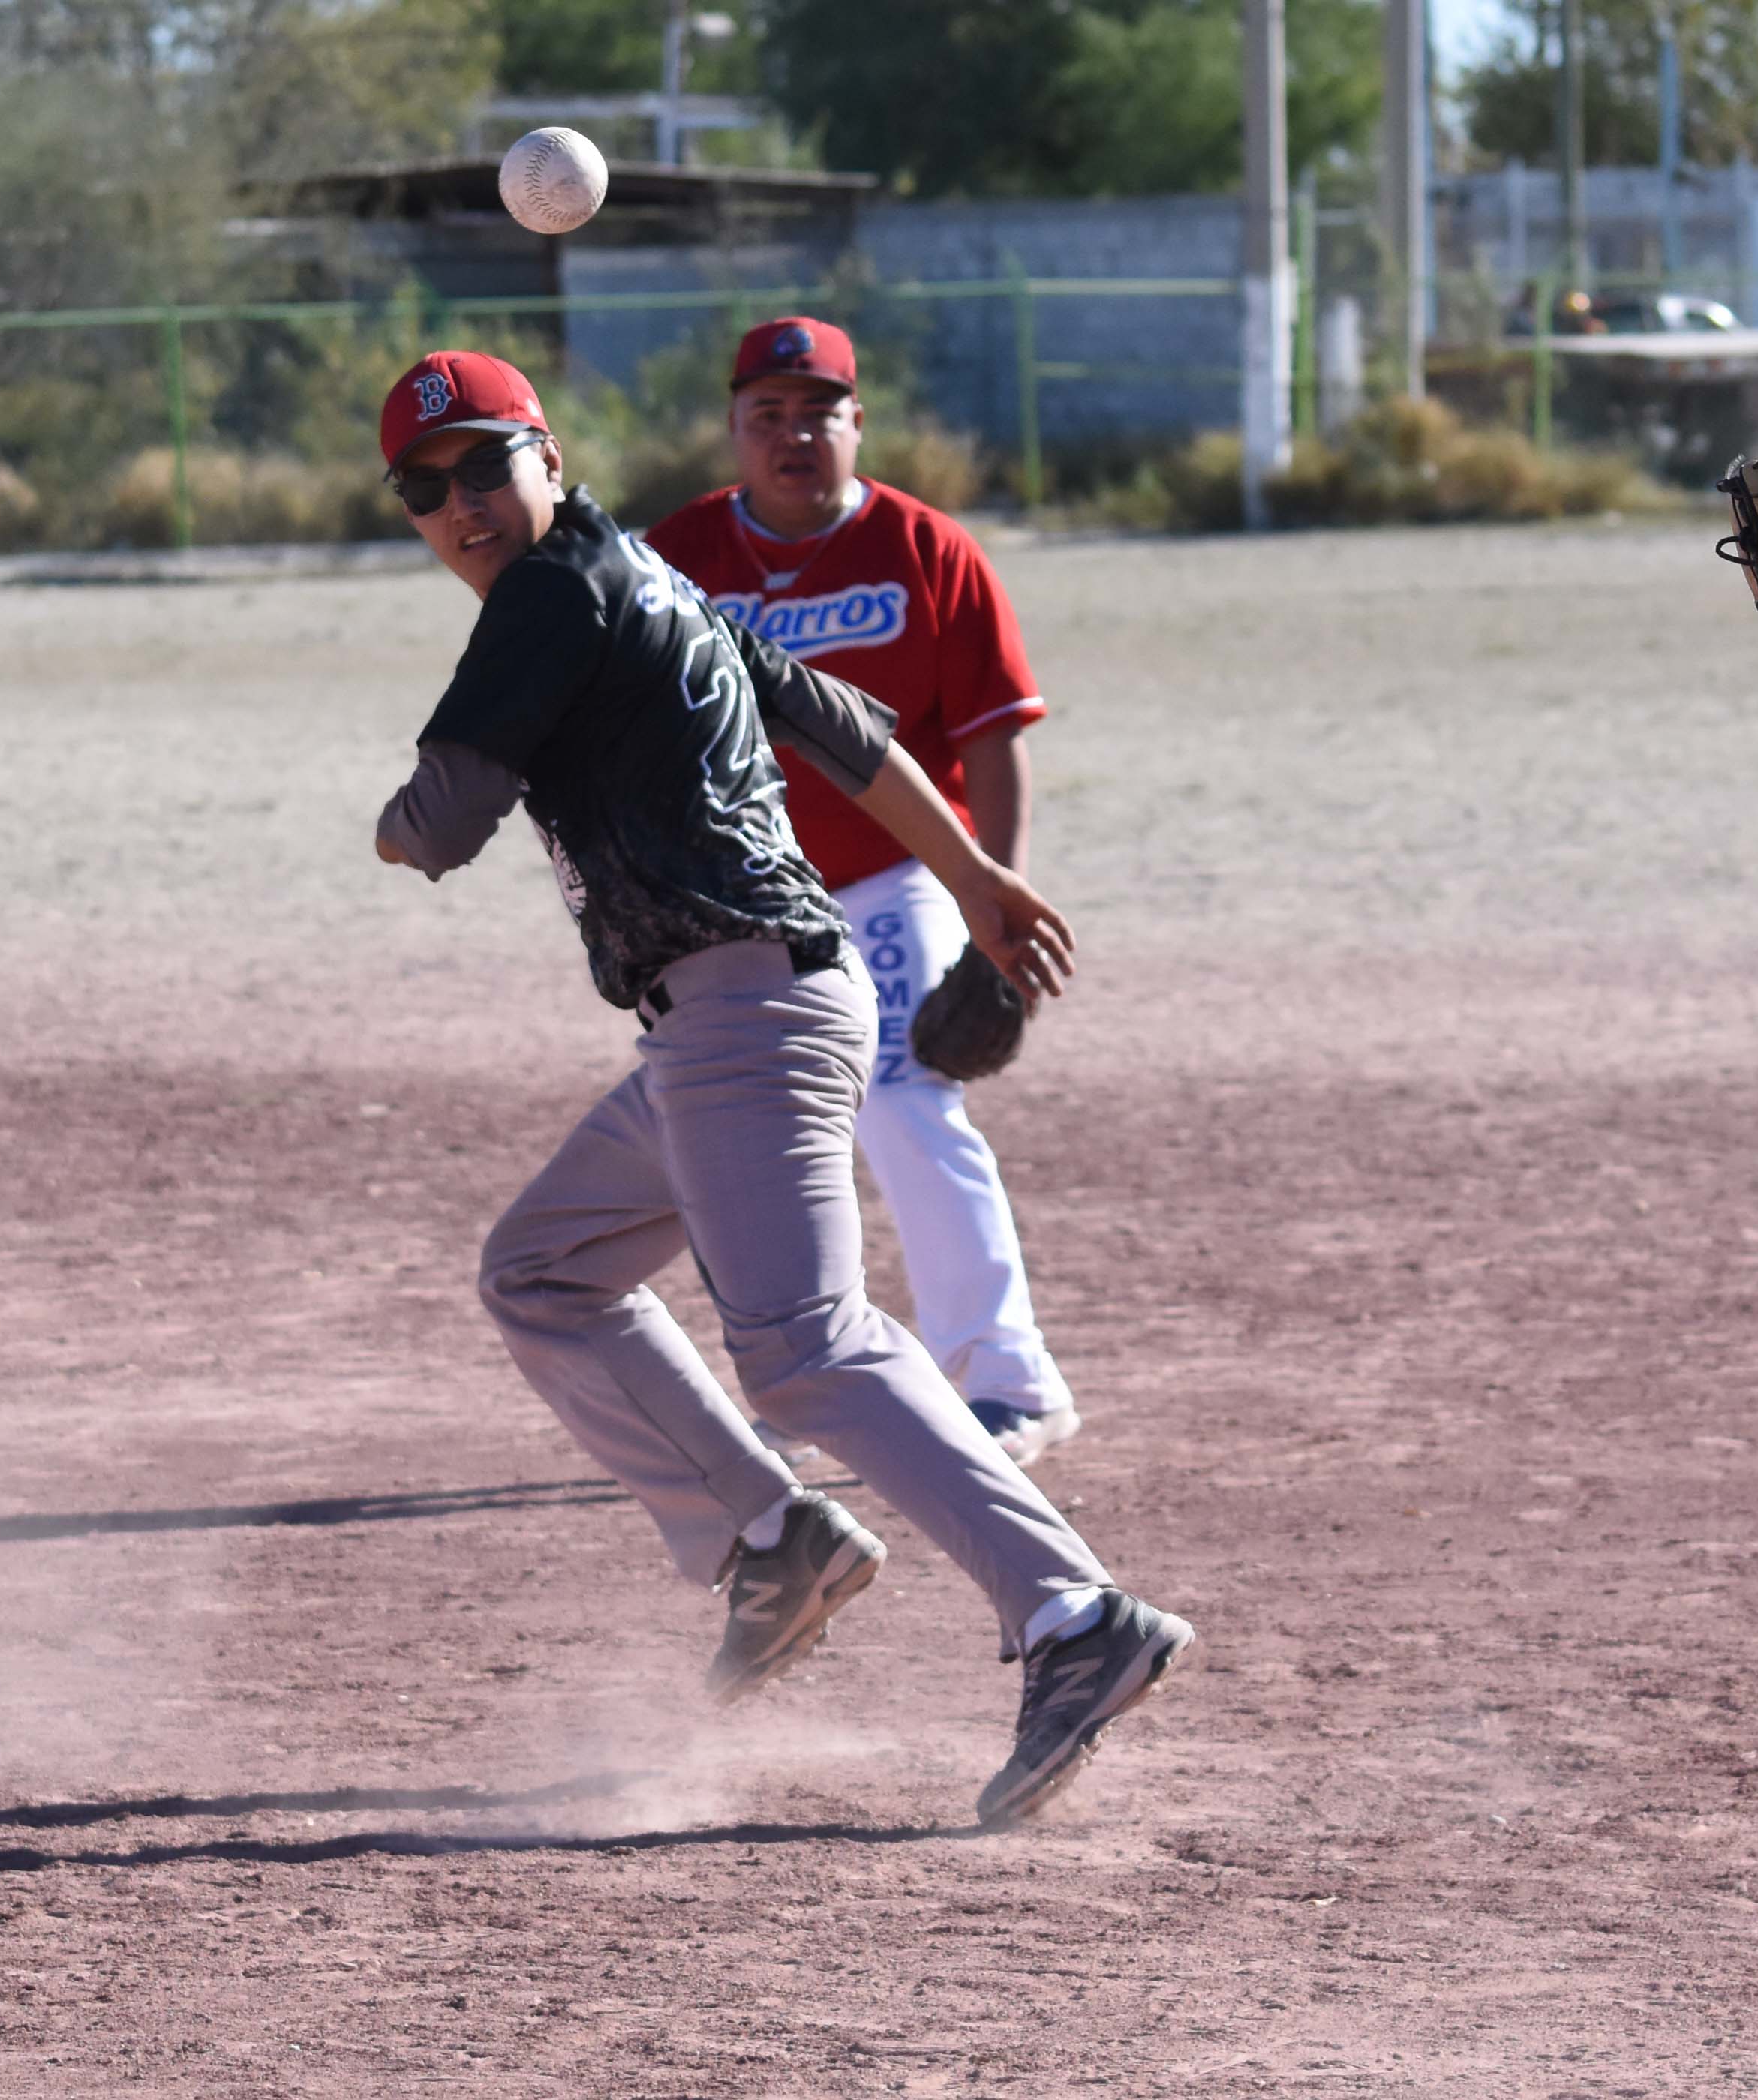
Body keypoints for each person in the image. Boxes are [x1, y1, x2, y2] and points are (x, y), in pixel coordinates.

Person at [363, 349, 1189, 1828]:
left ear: (542, 453)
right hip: (723, 1021)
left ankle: (1076, 1614)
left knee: (805, 1346)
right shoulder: (652, 580)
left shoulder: (555, 593)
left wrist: (391, 828)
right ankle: (770, 1535)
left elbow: (439, 823)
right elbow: (847, 732)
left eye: (483, 464)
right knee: (541, 1271)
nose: (461, 505)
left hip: (742, 1016)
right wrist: (977, 877)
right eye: (424, 489)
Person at [647, 318, 1083, 1465]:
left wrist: (995, 900)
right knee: (734, 1133)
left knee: (901, 1095)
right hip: (742, 898)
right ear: (736, 432)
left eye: (818, 412)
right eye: (767, 415)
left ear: (857, 425)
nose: (794, 436)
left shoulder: (927, 550)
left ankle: (1007, 1380)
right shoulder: (675, 555)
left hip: (898, 875)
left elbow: (991, 739)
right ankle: (804, 1386)